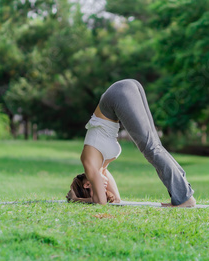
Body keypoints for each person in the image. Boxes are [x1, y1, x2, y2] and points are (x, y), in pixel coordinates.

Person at [66, 79, 196, 207]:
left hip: (117, 95)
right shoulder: (102, 168)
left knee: (151, 148)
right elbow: (116, 199)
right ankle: (183, 195)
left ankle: (184, 197)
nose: (103, 190)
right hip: (124, 90)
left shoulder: (89, 163)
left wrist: (76, 199)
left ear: (87, 184)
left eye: (97, 190)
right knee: (155, 147)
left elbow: (100, 202)